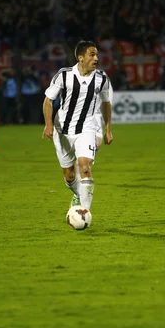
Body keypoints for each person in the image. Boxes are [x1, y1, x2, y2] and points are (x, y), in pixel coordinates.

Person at [42, 40, 113, 210]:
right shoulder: (64, 75)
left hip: (86, 128)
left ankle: (84, 211)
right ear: (80, 58)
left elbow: (106, 103)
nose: (96, 58)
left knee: (85, 167)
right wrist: (48, 124)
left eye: (97, 54)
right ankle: (78, 194)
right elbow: (48, 101)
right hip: (62, 130)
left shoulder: (101, 78)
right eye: (92, 54)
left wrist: (108, 128)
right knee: (69, 175)